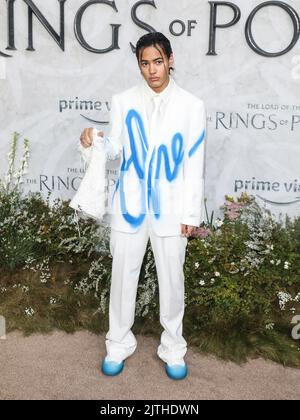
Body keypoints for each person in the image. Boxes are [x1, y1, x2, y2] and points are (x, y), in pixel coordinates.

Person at [79, 32, 206, 380]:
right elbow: (116, 153)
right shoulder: (122, 101)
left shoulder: (192, 106)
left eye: (158, 61)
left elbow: (194, 163)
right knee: (122, 281)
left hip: (172, 209)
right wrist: (94, 142)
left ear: (170, 59)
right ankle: (117, 344)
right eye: (145, 63)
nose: (152, 70)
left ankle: (173, 347)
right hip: (129, 207)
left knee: (172, 283)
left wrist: (190, 215)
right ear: (139, 64)